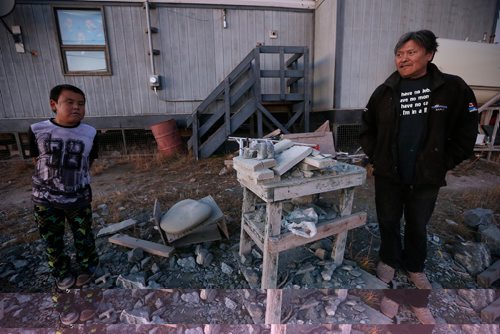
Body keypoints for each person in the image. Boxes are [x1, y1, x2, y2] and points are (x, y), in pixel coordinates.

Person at [360, 30, 478, 289]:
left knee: (417, 224)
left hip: (426, 176)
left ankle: (415, 266)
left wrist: (443, 161)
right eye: (399, 54)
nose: (403, 59)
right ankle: (389, 259)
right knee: (388, 220)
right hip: (389, 174)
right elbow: (366, 128)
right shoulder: (384, 91)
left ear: (429, 54)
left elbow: (467, 131)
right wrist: (377, 157)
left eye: (410, 53)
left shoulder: (453, 88)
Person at [29, 84, 100, 290]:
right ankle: (61, 272)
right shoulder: (37, 130)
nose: (76, 107)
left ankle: (88, 267)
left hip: (78, 197)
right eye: (69, 102)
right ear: (54, 104)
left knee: (84, 235)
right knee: (52, 239)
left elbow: (88, 162)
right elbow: (37, 160)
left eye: (81, 104)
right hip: (45, 200)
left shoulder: (91, 133)